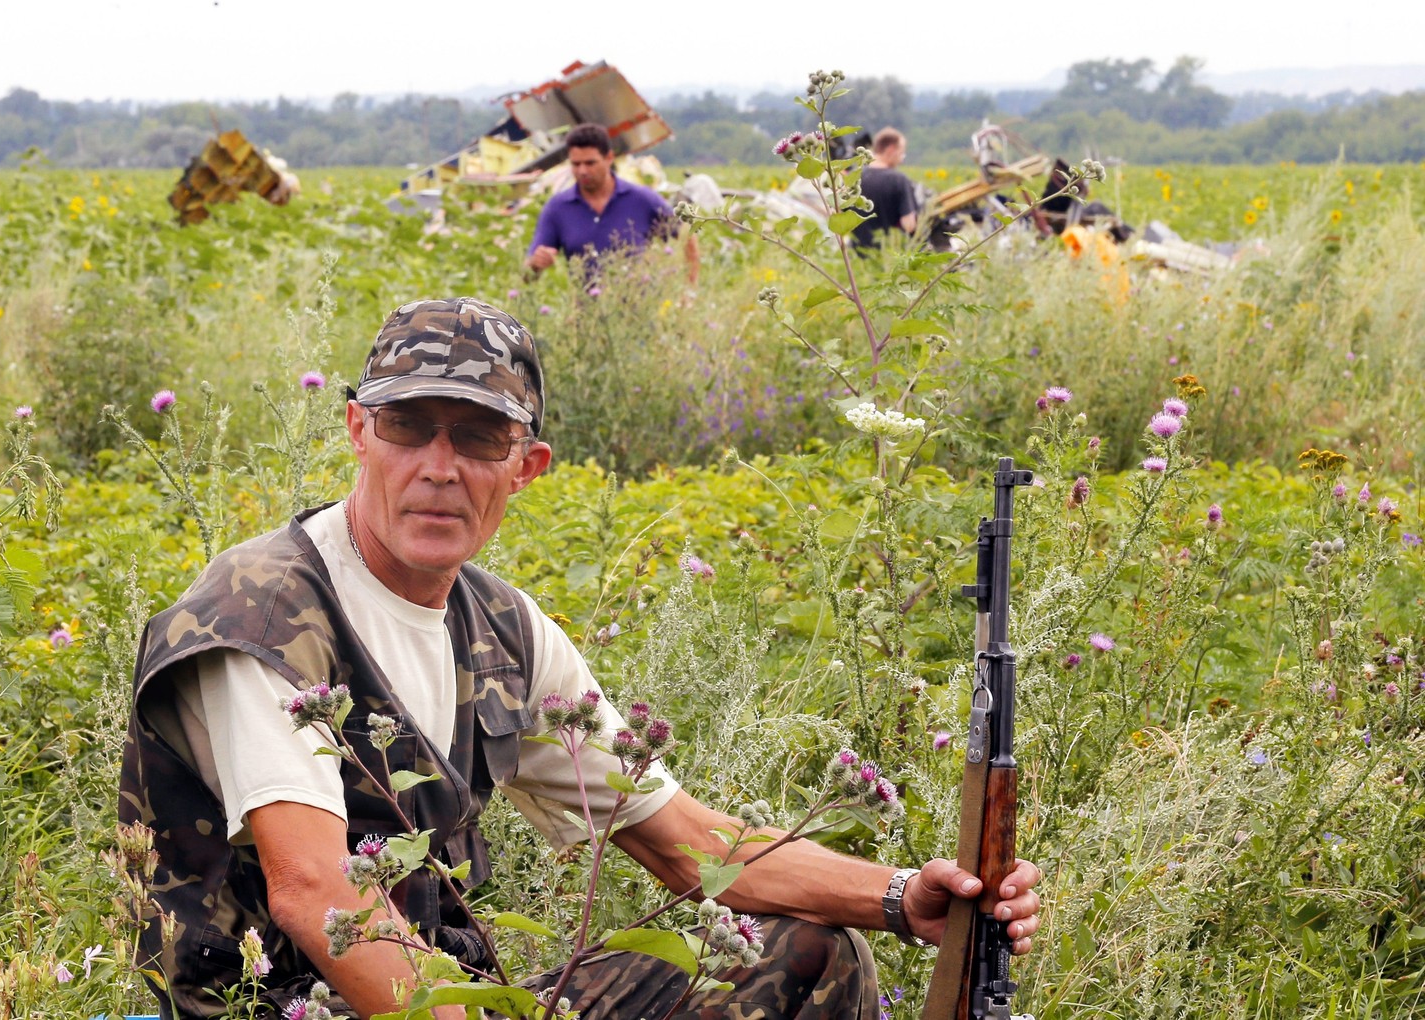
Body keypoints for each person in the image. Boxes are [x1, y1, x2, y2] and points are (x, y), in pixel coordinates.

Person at [119, 297, 1042, 1019]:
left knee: (809, 948)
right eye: (410, 428)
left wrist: (900, 896)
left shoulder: (504, 630)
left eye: (478, 437)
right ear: (359, 430)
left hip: (450, 999)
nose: (440, 466)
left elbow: (687, 845)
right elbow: (316, 894)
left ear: (528, 465)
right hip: (287, 1007)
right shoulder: (262, 611)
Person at [525, 123, 699, 282]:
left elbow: (686, 236)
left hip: (641, 309)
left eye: (590, 163)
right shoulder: (558, 208)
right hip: (585, 311)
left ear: (609, 158)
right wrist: (535, 264)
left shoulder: (641, 199)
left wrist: (689, 290)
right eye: (576, 164)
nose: (582, 171)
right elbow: (527, 276)